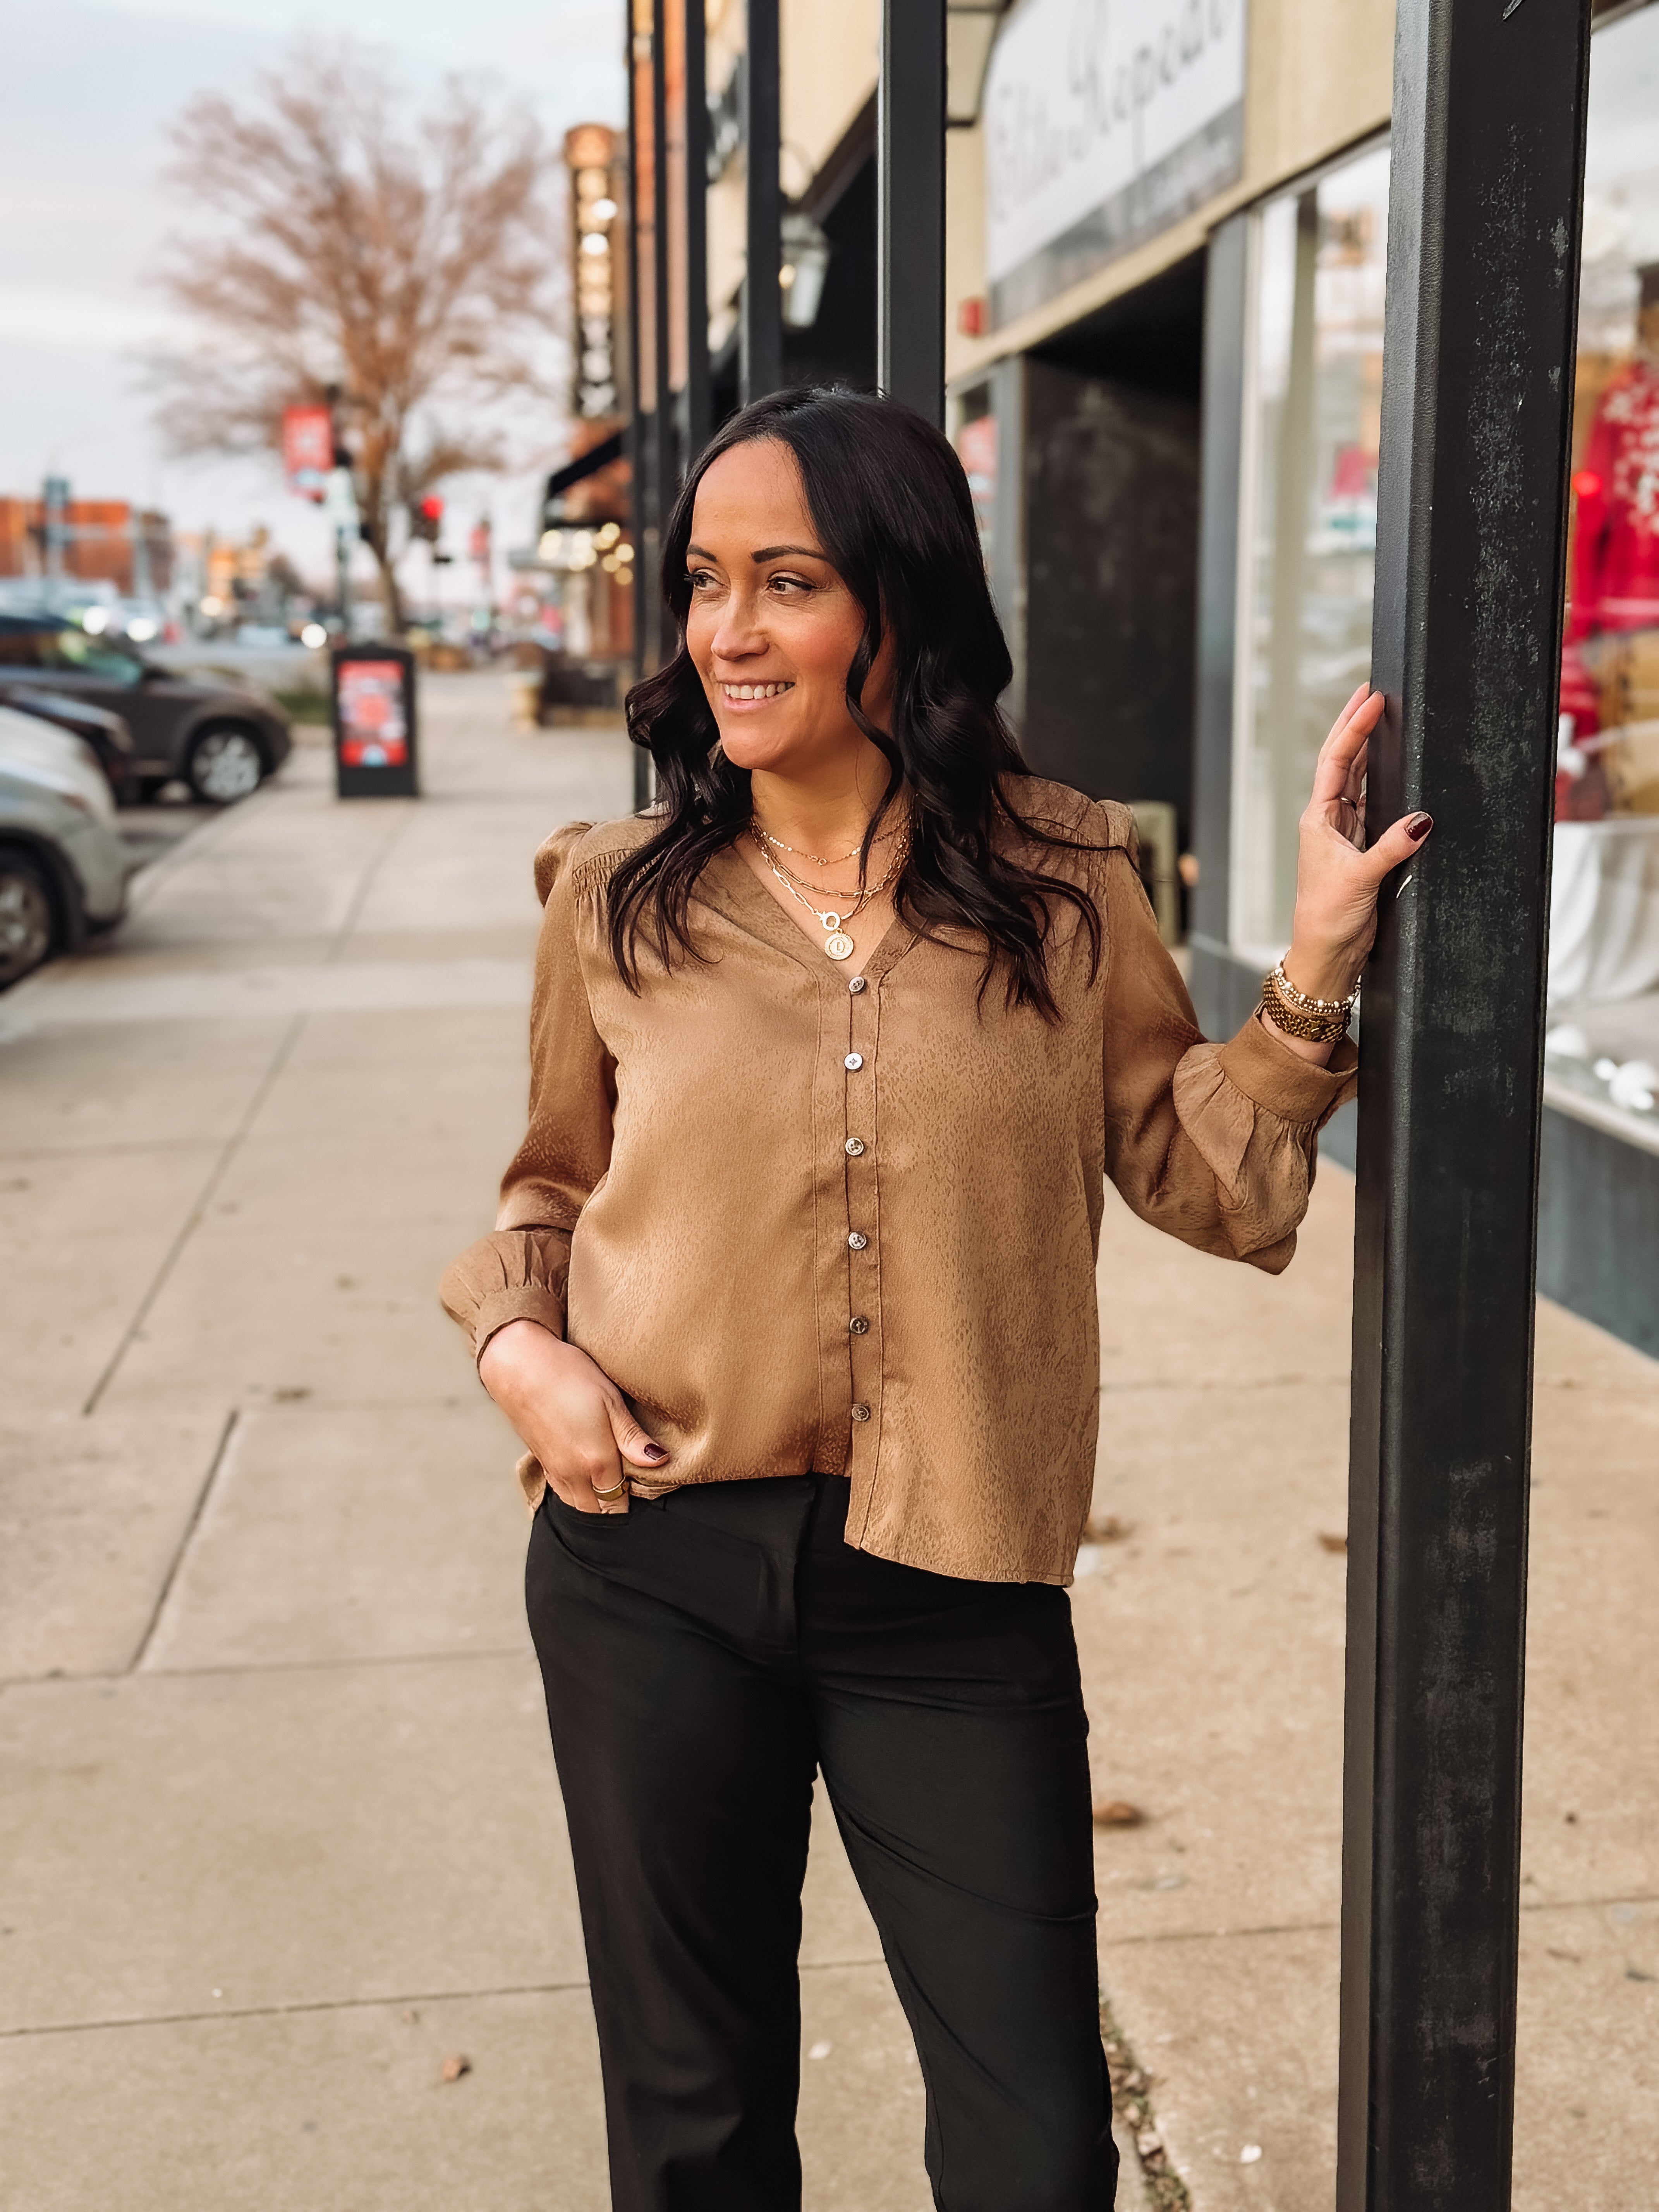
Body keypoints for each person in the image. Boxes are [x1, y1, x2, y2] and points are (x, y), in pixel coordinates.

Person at [440, 386, 1432, 2212]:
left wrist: (1309, 967)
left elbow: (1204, 1178)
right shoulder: (616, 897)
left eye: (787, 582)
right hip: (649, 1564)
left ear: (901, 607)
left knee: (1037, 2141)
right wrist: (521, 1354)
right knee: (697, 2122)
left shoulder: (1061, 879)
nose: (727, 631)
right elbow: (550, 1187)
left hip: (952, 1583)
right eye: (703, 583)